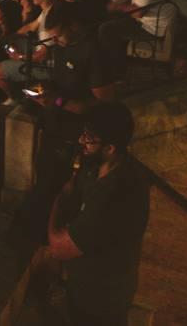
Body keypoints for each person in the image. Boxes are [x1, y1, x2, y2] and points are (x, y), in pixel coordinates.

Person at [37, 102, 150, 326]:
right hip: (84, 286)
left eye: (89, 138)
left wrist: (58, 200)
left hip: (102, 300)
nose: (81, 141)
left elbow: (59, 247)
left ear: (110, 148)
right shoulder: (97, 166)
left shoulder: (116, 195)